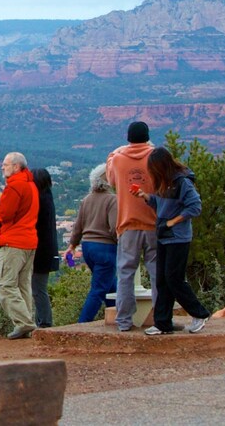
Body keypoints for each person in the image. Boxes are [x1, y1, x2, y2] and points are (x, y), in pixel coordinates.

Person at [134, 147, 212, 335]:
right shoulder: (164, 183)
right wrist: (145, 197)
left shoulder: (182, 182)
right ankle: (163, 323)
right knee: (162, 280)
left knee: (174, 278)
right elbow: (161, 205)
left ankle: (199, 313)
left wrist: (172, 222)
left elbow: (195, 206)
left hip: (178, 237)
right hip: (164, 236)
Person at [105, 121, 158, 332]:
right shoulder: (156, 157)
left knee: (126, 273)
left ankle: (124, 320)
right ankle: (161, 317)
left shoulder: (118, 159)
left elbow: (110, 180)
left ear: (128, 137)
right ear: (147, 137)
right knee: (156, 273)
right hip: (154, 222)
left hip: (127, 223)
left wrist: (115, 152)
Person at [0, 152, 39, 339]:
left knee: (5, 284)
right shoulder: (31, 185)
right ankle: (26, 325)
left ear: (16, 167)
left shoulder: (15, 187)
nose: (2, 167)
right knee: (23, 285)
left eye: (5, 164)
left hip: (13, 242)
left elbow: (6, 215)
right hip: (29, 241)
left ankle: (25, 323)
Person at [64, 164, 118, 323]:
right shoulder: (112, 200)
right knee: (99, 290)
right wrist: (123, 244)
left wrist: (72, 245)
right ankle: (82, 324)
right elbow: (114, 227)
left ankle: (116, 317)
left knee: (111, 285)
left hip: (87, 247)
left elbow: (78, 226)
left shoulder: (86, 199)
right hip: (105, 248)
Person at [31, 168, 59, 328]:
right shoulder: (47, 198)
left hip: (41, 252)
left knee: (38, 289)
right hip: (47, 251)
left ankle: (44, 322)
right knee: (38, 288)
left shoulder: (40, 200)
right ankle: (41, 320)